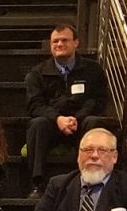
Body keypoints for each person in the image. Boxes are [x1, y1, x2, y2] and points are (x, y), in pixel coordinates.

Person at [26, 22, 110, 194]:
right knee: (37, 124)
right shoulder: (37, 73)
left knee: (94, 122)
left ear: (76, 43)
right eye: (55, 41)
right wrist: (58, 119)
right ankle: (37, 184)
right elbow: (35, 105)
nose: (59, 44)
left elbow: (98, 101)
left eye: (64, 40)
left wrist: (76, 118)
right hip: (52, 123)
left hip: (81, 122)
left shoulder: (93, 70)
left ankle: (93, 181)